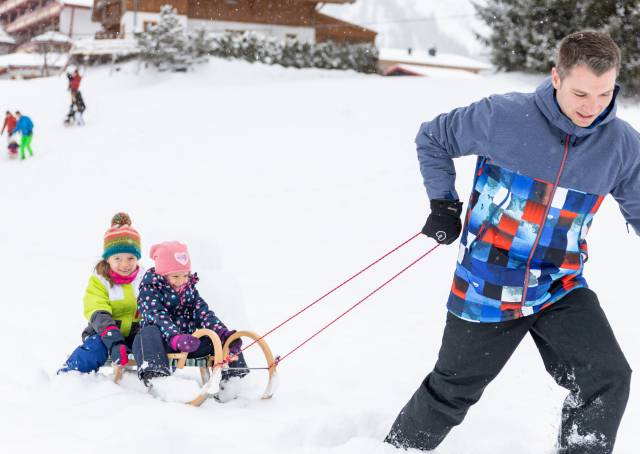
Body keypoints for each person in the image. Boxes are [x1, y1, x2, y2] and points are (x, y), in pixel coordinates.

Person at [385, 30, 639, 454]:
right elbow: (433, 138)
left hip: (559, 284)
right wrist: (444, 203)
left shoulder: (621, 145)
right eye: (580, 93)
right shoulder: (502, 116)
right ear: (556, 77)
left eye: (604, 94)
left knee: (607, 376)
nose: (592, 108)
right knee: (451, 392)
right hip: (487, 282)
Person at [137, 241, 248, 397]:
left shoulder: (188, 290)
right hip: (162, 343)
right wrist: (175, 337)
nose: (181, 280)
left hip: (189, 343)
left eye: (185, 275)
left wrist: (222, 333)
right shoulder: (150, 289)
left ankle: (232, 381)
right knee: (148, 332)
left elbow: (203, 313)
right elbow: (157, 316)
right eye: (175, 276)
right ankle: (158, 379)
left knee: (216, 337)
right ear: (162, 274)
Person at [58, 213, 145, 375]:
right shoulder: (100, 281)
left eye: (131, 258)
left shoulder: (145, 279)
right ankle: (69, 373)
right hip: (105, 333)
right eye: (117, 258)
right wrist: (115, 341)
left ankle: (156, 378)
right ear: (108, 259)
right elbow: (98, 312)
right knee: (95, 349)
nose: (125, 264)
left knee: (152, 343)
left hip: (134, 335)